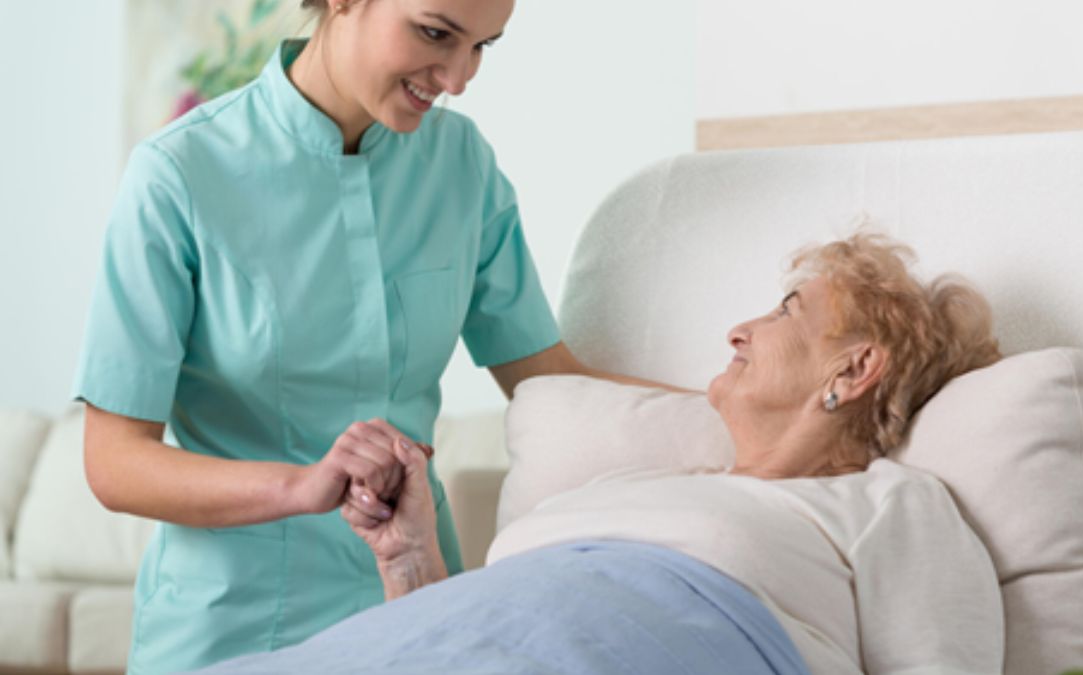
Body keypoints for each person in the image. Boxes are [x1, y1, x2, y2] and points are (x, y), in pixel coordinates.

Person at [74, 0, 653, 672]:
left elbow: (550, 381)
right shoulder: (180, 174)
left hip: (417, 618)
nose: (458, 77)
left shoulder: (461, 164)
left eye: (482, 47)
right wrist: (299, 487)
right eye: (436, 34)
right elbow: (114, 460)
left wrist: (747, 408)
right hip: (232, 629)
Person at [197, 233, 1007, 674]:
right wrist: (408, 557)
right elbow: (454, 637)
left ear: (855, 368)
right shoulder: (627, 485)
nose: (740, 329)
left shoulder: (889, 503)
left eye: (787, 310)